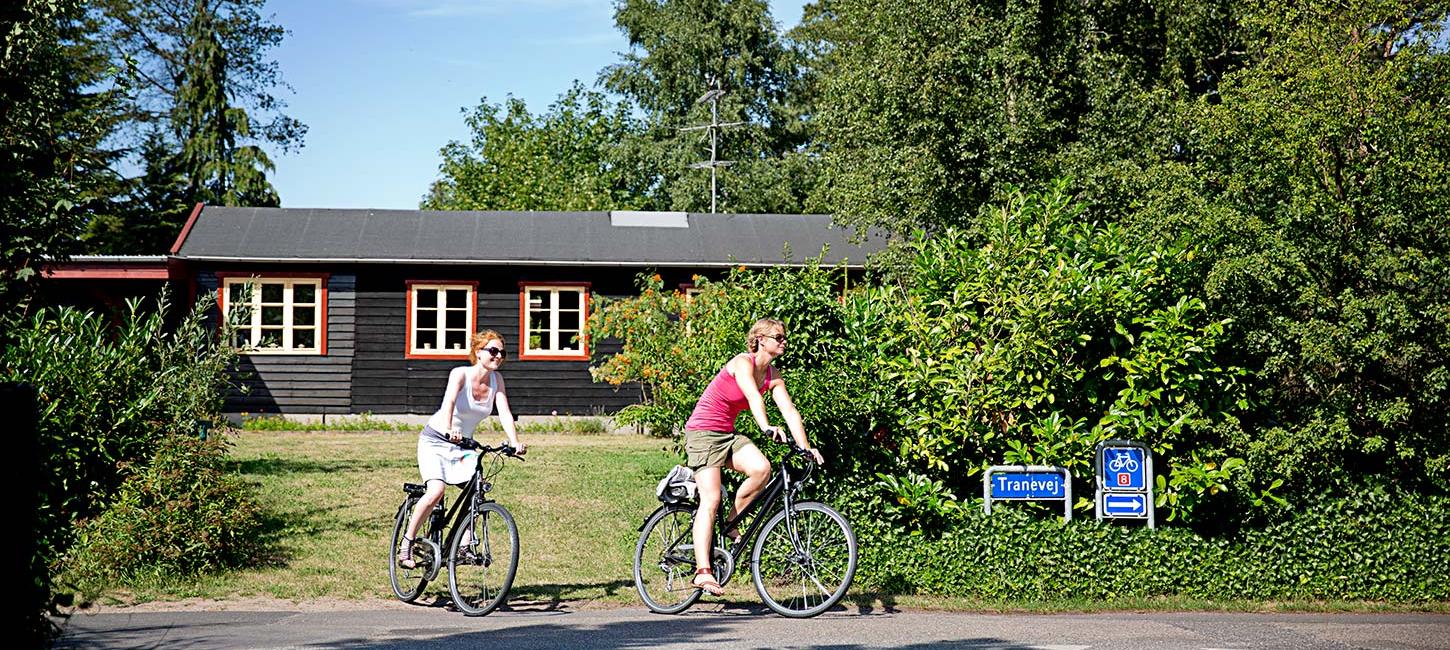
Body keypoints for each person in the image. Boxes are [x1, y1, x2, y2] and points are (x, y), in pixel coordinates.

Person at [682, 318, 824, 595]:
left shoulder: (773, 374)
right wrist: (765, 427)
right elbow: (752, 397)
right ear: (760, 339)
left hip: (727, 433)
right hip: (702, 432)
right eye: (778, 337)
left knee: (762, 468)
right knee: (710, 499)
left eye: (784, 338)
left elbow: (790, 412)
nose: (784, 341)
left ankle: (731, 522)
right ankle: (703, 572)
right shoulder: (742, 362)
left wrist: (806, 447)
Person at [397, 330, 526, 569]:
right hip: (436, 440)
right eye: (493, 351)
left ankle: (464, 544)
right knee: (436, 490)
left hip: (462, 446)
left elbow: (505, 413)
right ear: (478, 352)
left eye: (502, 353)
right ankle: (407, 542)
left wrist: (514, 441)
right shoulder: (460, 374)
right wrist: (448, 429)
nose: (498, 356)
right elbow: (449, 403)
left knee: (478, 486)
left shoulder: (497, 382)